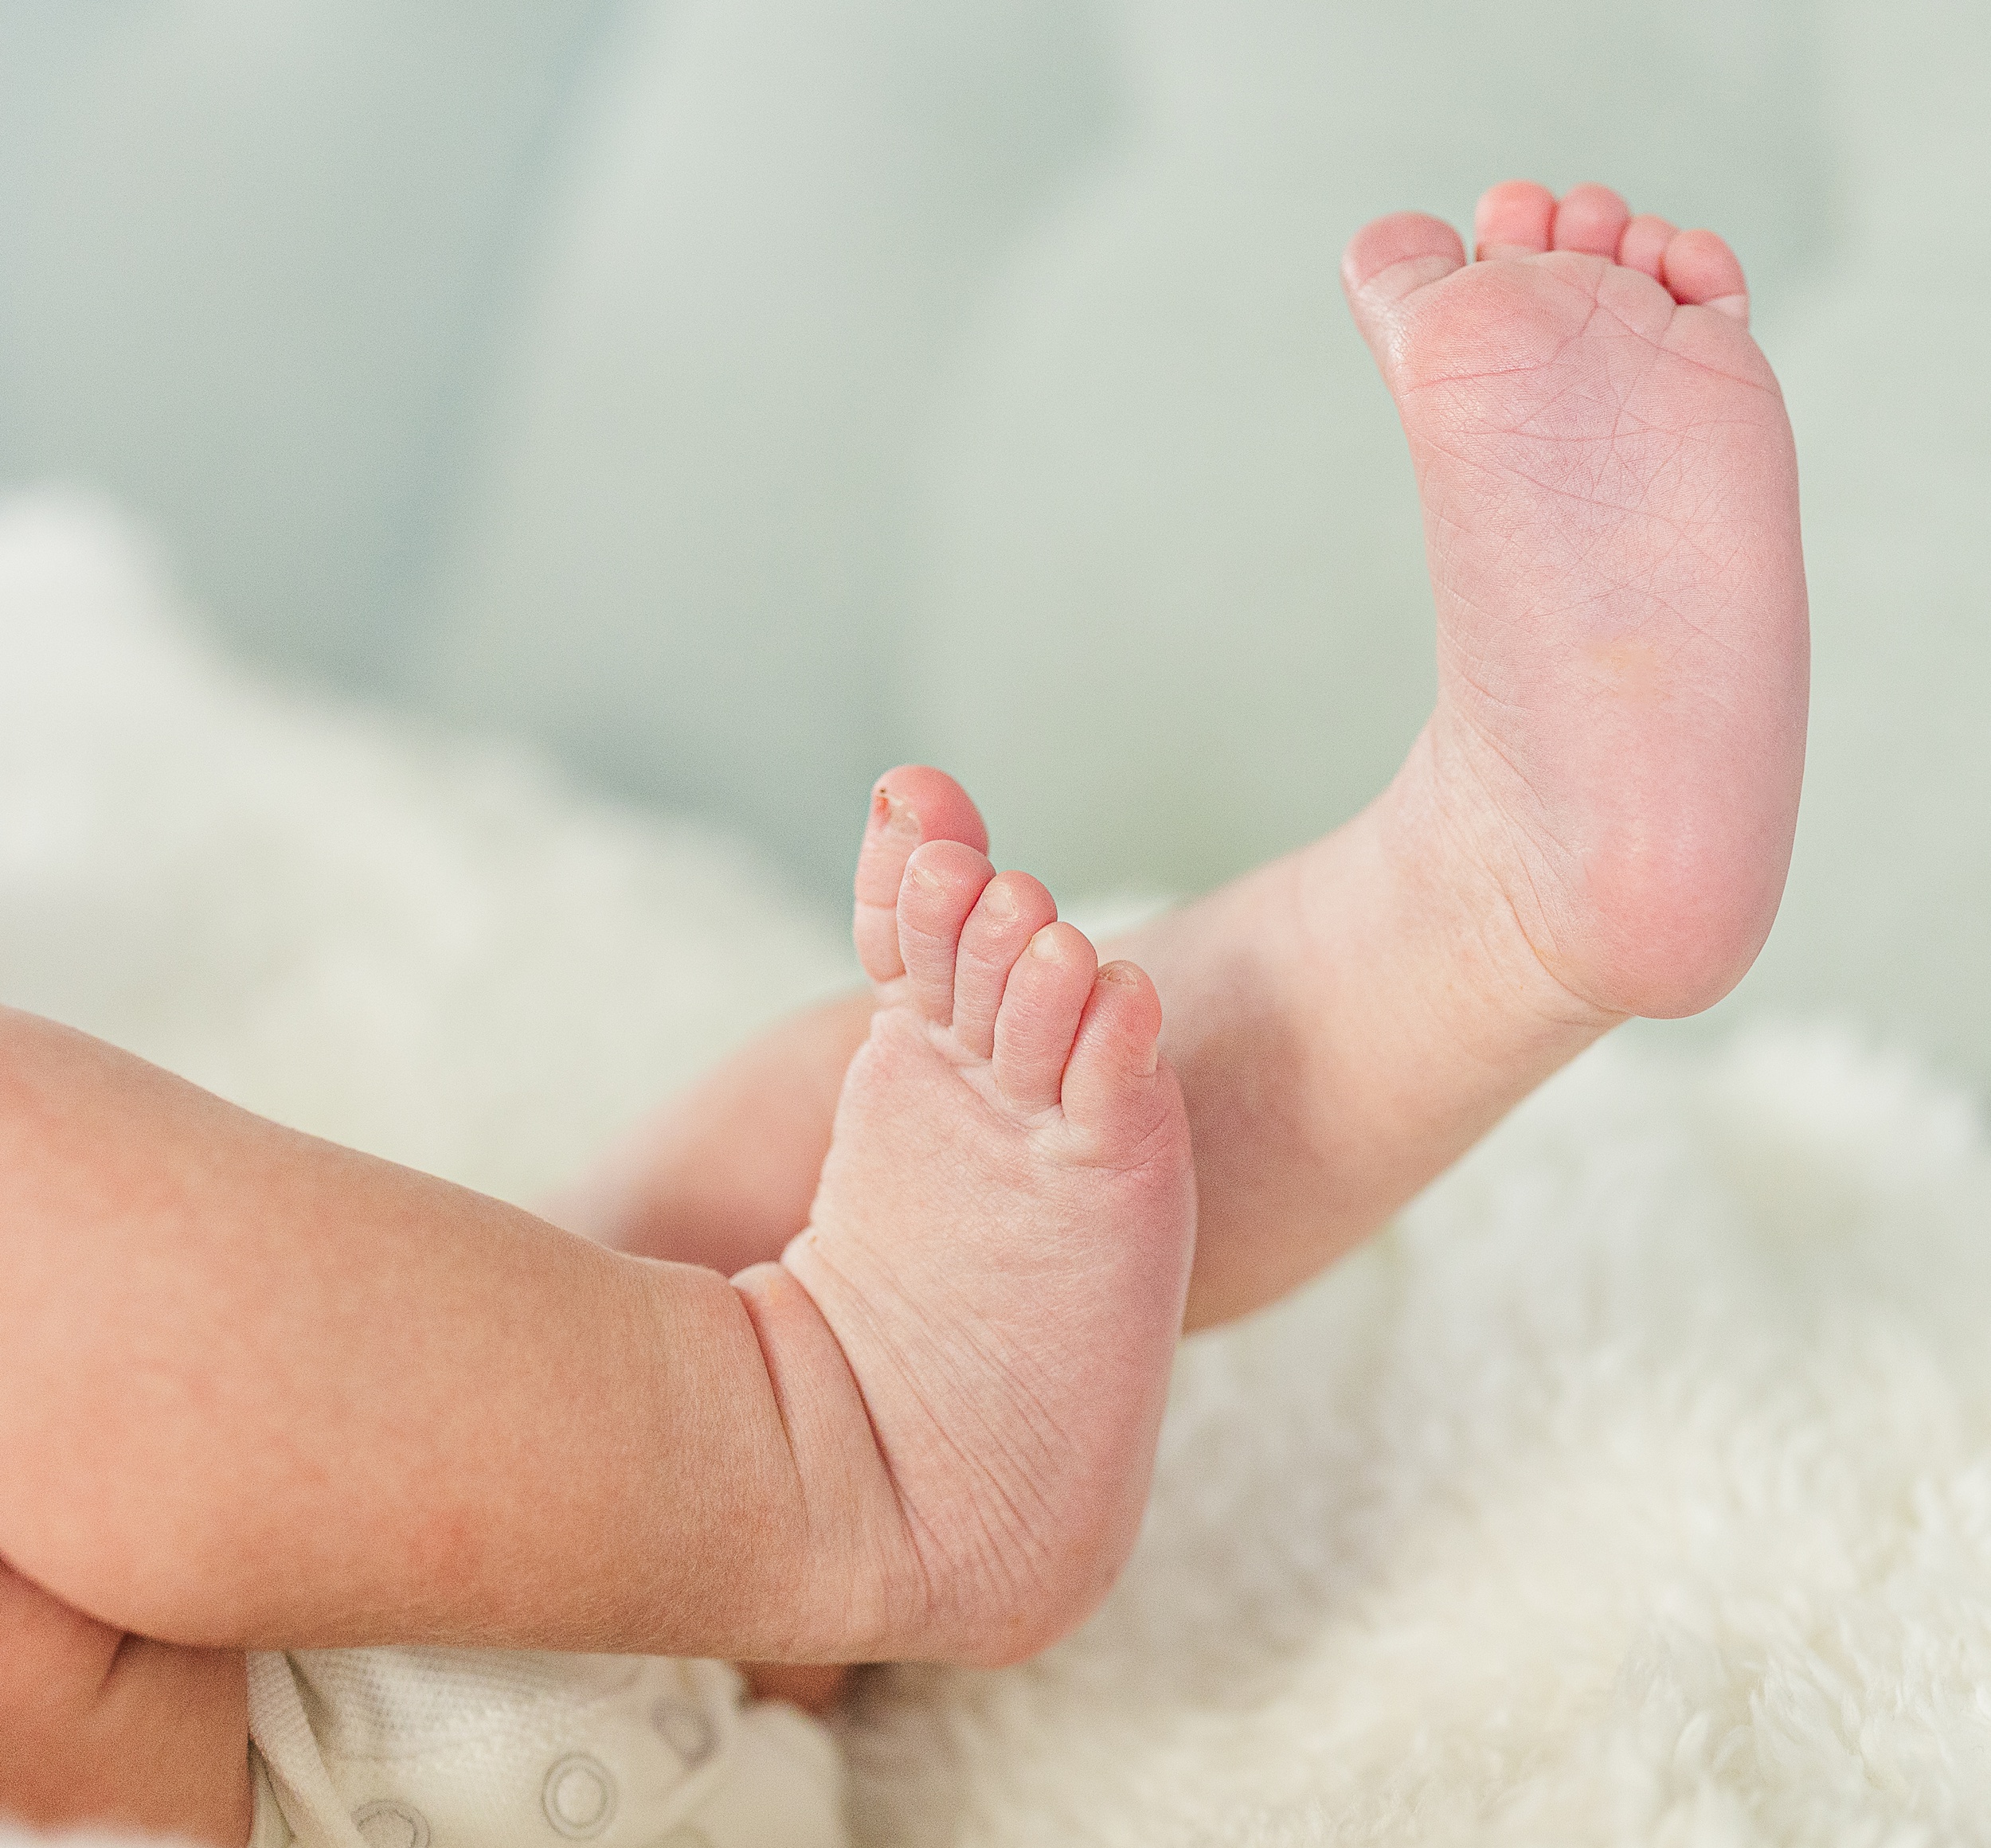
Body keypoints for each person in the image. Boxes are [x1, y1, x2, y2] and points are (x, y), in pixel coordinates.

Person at [0, 180, 1805, 1848]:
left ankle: (1496, 897)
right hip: (197, 1761)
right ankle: (838, 1458)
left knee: (862, 1141)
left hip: (377, 1613)